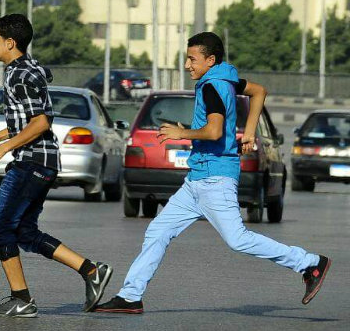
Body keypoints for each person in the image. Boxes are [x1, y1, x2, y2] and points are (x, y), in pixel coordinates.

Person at [96, 32, 330, 314]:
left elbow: (214, 130)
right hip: (197, 179)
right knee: (158, 230)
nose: (187, 65)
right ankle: (131, 296)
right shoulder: (227, 79)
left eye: (192, 59)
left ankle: (309, 263)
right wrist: (250, 133)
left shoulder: (211, 87)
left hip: (215, 177)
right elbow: (259, 91)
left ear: (210, 60)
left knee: (238, 239)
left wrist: (181, 132)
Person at [0, 14, 113, 318]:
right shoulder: (27, 69)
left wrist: (1, 149)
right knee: (23, 232)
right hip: (42, 161)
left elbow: (40, 122)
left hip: (32, 161)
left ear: (10, 43)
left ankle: (20, 299)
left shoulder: (18, 75)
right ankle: (91, 271)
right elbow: (27, 120)